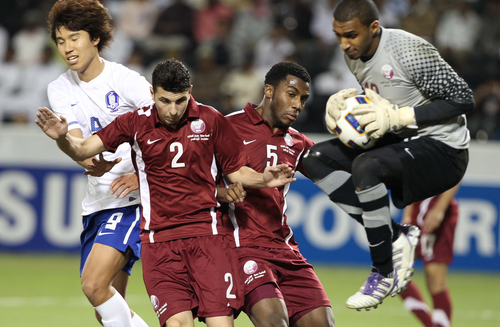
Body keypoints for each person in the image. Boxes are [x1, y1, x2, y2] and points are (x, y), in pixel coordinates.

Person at [36, 58, 296, 327]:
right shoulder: (134, 122)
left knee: (220, 323)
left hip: (208, 239)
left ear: (190, 92)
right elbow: (82, 149)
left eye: (180, 101)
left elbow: (238, 173)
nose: (172, 110)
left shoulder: (211, 120)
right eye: (164, 101)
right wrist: (62, 138)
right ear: (152, 93)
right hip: (159, 245)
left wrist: (264, 179)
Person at [302, 0, 472, 311]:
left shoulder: (408, 49)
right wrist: (347, 105)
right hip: (403, 142)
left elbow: (463, 99)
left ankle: (383, 271)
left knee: (367, 166)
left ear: (374, 28)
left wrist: (399, 118)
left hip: (444, 151)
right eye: (338, 35)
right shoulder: (353, 55)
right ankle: (396, 236)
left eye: (350, 35)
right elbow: (384, 97)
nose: (343, 44)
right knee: (313, 158)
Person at [46, 1, 153, 326]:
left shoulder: (127, 81)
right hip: (98, 203)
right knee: (105, 307)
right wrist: (63, 139)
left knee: (93, 284)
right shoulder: (59, 88)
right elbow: (81, 149)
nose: (67, 48)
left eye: (74, 38)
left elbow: (168, 128)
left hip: (132, 202)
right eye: (61, 41)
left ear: (95, 37)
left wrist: (141, 176)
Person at [220, 61, 335, 327]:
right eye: (291, 94)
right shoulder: (228, 127)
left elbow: (336, 175)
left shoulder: (297, 142)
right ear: (269, 91)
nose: (298, 105)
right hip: (243, 248)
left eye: (303, 99)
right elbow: (195, 181)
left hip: (286, 250)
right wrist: (224, 193)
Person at [399, 184, 460, 327]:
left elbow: (457, 167)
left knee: (435, 278)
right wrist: (408, 213)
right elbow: (413, 177)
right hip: (417, 208)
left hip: (435, 207)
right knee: (395, 272)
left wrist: (439, 209)